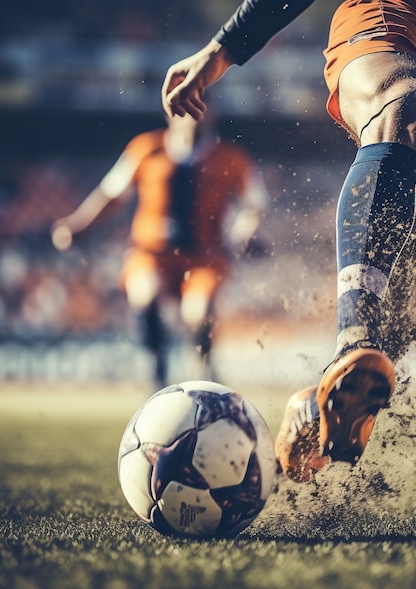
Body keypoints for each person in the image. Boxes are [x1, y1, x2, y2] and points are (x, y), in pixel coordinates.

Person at [161, 0, 416, 481]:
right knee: (404, 104)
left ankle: (319, 397)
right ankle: (354, 336)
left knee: (412, 276)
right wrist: (224, 48)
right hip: (403, 18)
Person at [51, 112, 269, 388]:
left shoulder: (231, 158)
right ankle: (157, 372)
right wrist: (78, 225)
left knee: (197, 312)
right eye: (187, 105)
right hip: (151, 253)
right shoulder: (146, 148)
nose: (194, 115)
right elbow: (112, 194)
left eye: (201, 105)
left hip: (204, 257)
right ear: (172, 112)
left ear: (212, 114)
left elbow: (255, 205)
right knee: (145, 293)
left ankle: (205, 369)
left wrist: (245, 229)